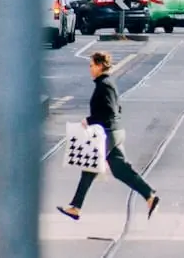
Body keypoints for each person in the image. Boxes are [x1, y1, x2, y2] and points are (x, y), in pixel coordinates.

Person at [57, 52, 159, 220]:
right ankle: (150, 196)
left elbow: (110, 111)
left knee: (89, 169)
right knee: (120, 170)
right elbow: (117, 109)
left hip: (109, 134)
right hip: (113, 132)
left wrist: (89, 120)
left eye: (91, 65)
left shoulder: (104, 85)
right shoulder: (106, 83)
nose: (90, 69)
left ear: (99, 65)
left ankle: (75, 207)